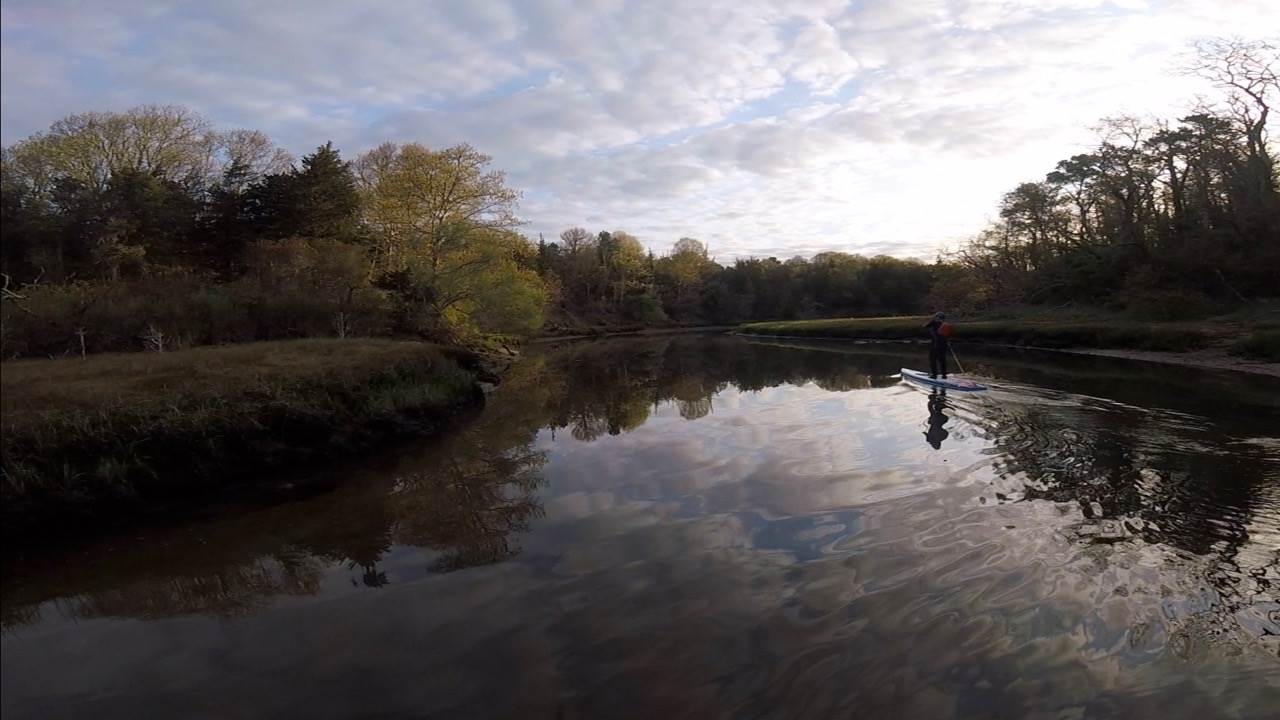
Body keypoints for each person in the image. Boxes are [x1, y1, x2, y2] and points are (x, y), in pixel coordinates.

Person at [923, 311, 952, 379]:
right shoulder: (945, 325)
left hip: (936, 344)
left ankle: (934, 375)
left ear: (937, 317)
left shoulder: (934, 322)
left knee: (932, 359)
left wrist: (931, 322)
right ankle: (944, 375)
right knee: (942, 360)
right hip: (944, 345)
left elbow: (924, 326)